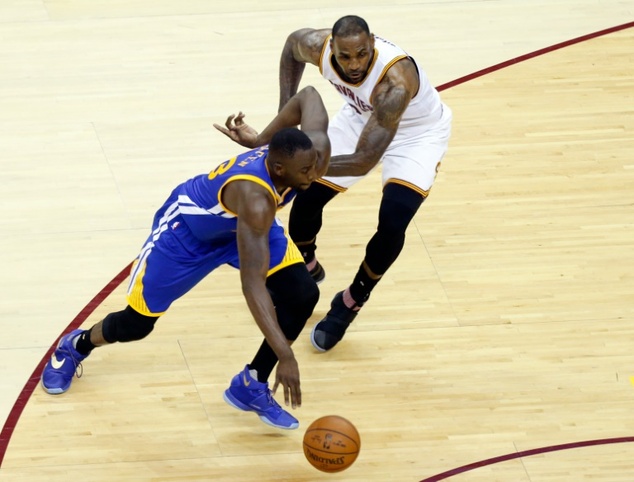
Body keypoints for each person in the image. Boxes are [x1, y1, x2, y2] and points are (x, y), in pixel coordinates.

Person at [40, 86, 331, 431]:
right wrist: (286, 354)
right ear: (279, 169)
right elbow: (252, 286)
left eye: (314, 166)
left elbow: (308, 95)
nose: (314, 176)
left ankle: (251, 384)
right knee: (136, 325)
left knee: (302, 294)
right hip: (188, 235)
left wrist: (259, 140)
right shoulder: (256, 197)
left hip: (248, 228)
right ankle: (77, 344)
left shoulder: (310, 154)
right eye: (305, 172)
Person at [278, 15, 452, 352]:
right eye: (345, 57)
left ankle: (353, 299)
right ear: (332, 49)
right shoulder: (317, 46)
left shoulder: (395, 83)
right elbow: (290, 47)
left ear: (372, 44)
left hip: (417, 135)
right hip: (362, 118)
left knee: (393, 221)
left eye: (361, 55)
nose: (354, 65)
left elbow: (365, 159)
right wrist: (287, 105)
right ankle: (307, 262)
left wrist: (306, 166)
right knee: (307, 198)